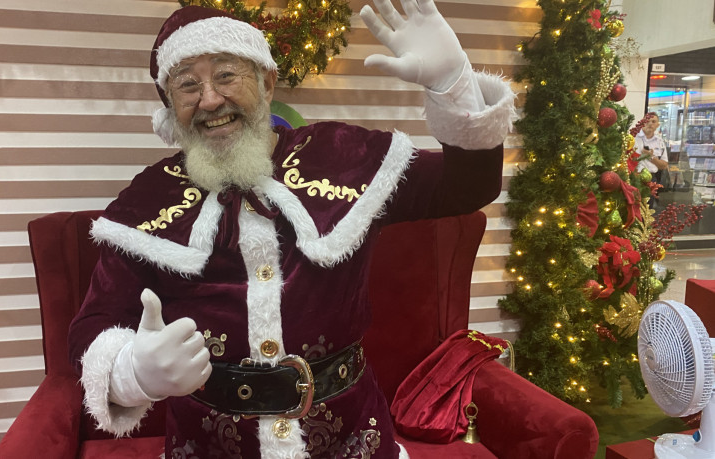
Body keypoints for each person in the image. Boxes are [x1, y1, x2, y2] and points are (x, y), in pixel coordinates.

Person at [67, 0, 515, 456]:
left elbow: (467, 186)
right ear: (170, 108)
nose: (210, 100)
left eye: (226, 75)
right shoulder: (147, 200)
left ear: (266, 81)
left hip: (350, 439)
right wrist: (134, 372)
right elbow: (92, 327)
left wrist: (452, 83)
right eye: (187, 85)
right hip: (207, 446)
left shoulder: (346, 156)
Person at [635, 112, 669, 208]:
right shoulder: (633, 137)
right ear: (642, 122)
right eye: (647, 121)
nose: (650, 124)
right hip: (634, 178)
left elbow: (664, 165)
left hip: (651, 180)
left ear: (658, 125)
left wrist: (650, 157)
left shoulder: (660, 142)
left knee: (647, 210)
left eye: (653, 121)